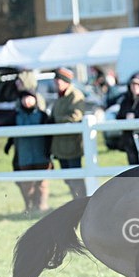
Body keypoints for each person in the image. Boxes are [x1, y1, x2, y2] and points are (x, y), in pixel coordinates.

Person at [10, 90, 51, 213]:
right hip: (24, 156)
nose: (27, 101)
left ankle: (42, 206)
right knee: (26, 184)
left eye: (30, 98)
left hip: (42, 155)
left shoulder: (43, 116)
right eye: (24, 98)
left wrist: (49, 151)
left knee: (42, 183)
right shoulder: (16, 116)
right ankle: (29, 206)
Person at [49, 67, 87, 199]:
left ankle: (81, 202)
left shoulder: (75, 96)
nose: (57, 83)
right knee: (68, 179)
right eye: (56, 80)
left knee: (76, 178)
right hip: (60, 146)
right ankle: (75, 202)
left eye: (59, 80)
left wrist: (56, 122)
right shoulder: (59, 98)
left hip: (72, 145)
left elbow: (75, 116)